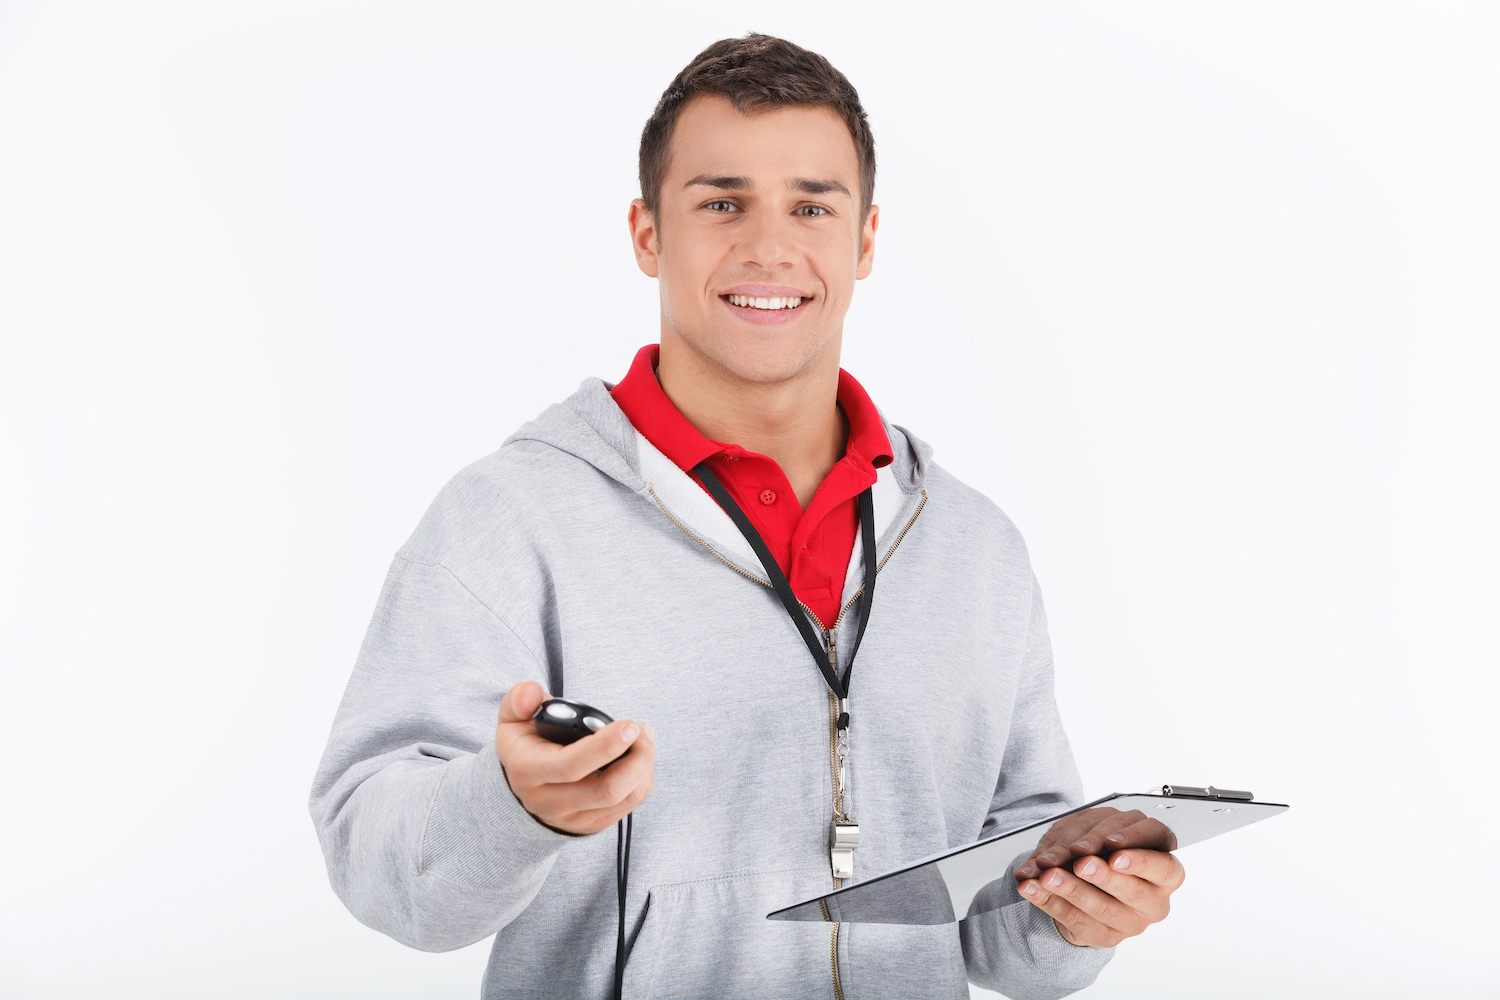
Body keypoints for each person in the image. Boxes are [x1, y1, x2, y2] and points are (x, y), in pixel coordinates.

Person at [310, 33, 1185, 999]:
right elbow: (380, 874)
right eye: (721, 203)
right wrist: (513, 806)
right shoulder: (508, 520)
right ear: (647, 234)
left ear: (864, 240)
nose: (770, 247)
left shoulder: (973, 546)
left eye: (812, 206)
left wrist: (1079, 917)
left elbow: (1005, 938)